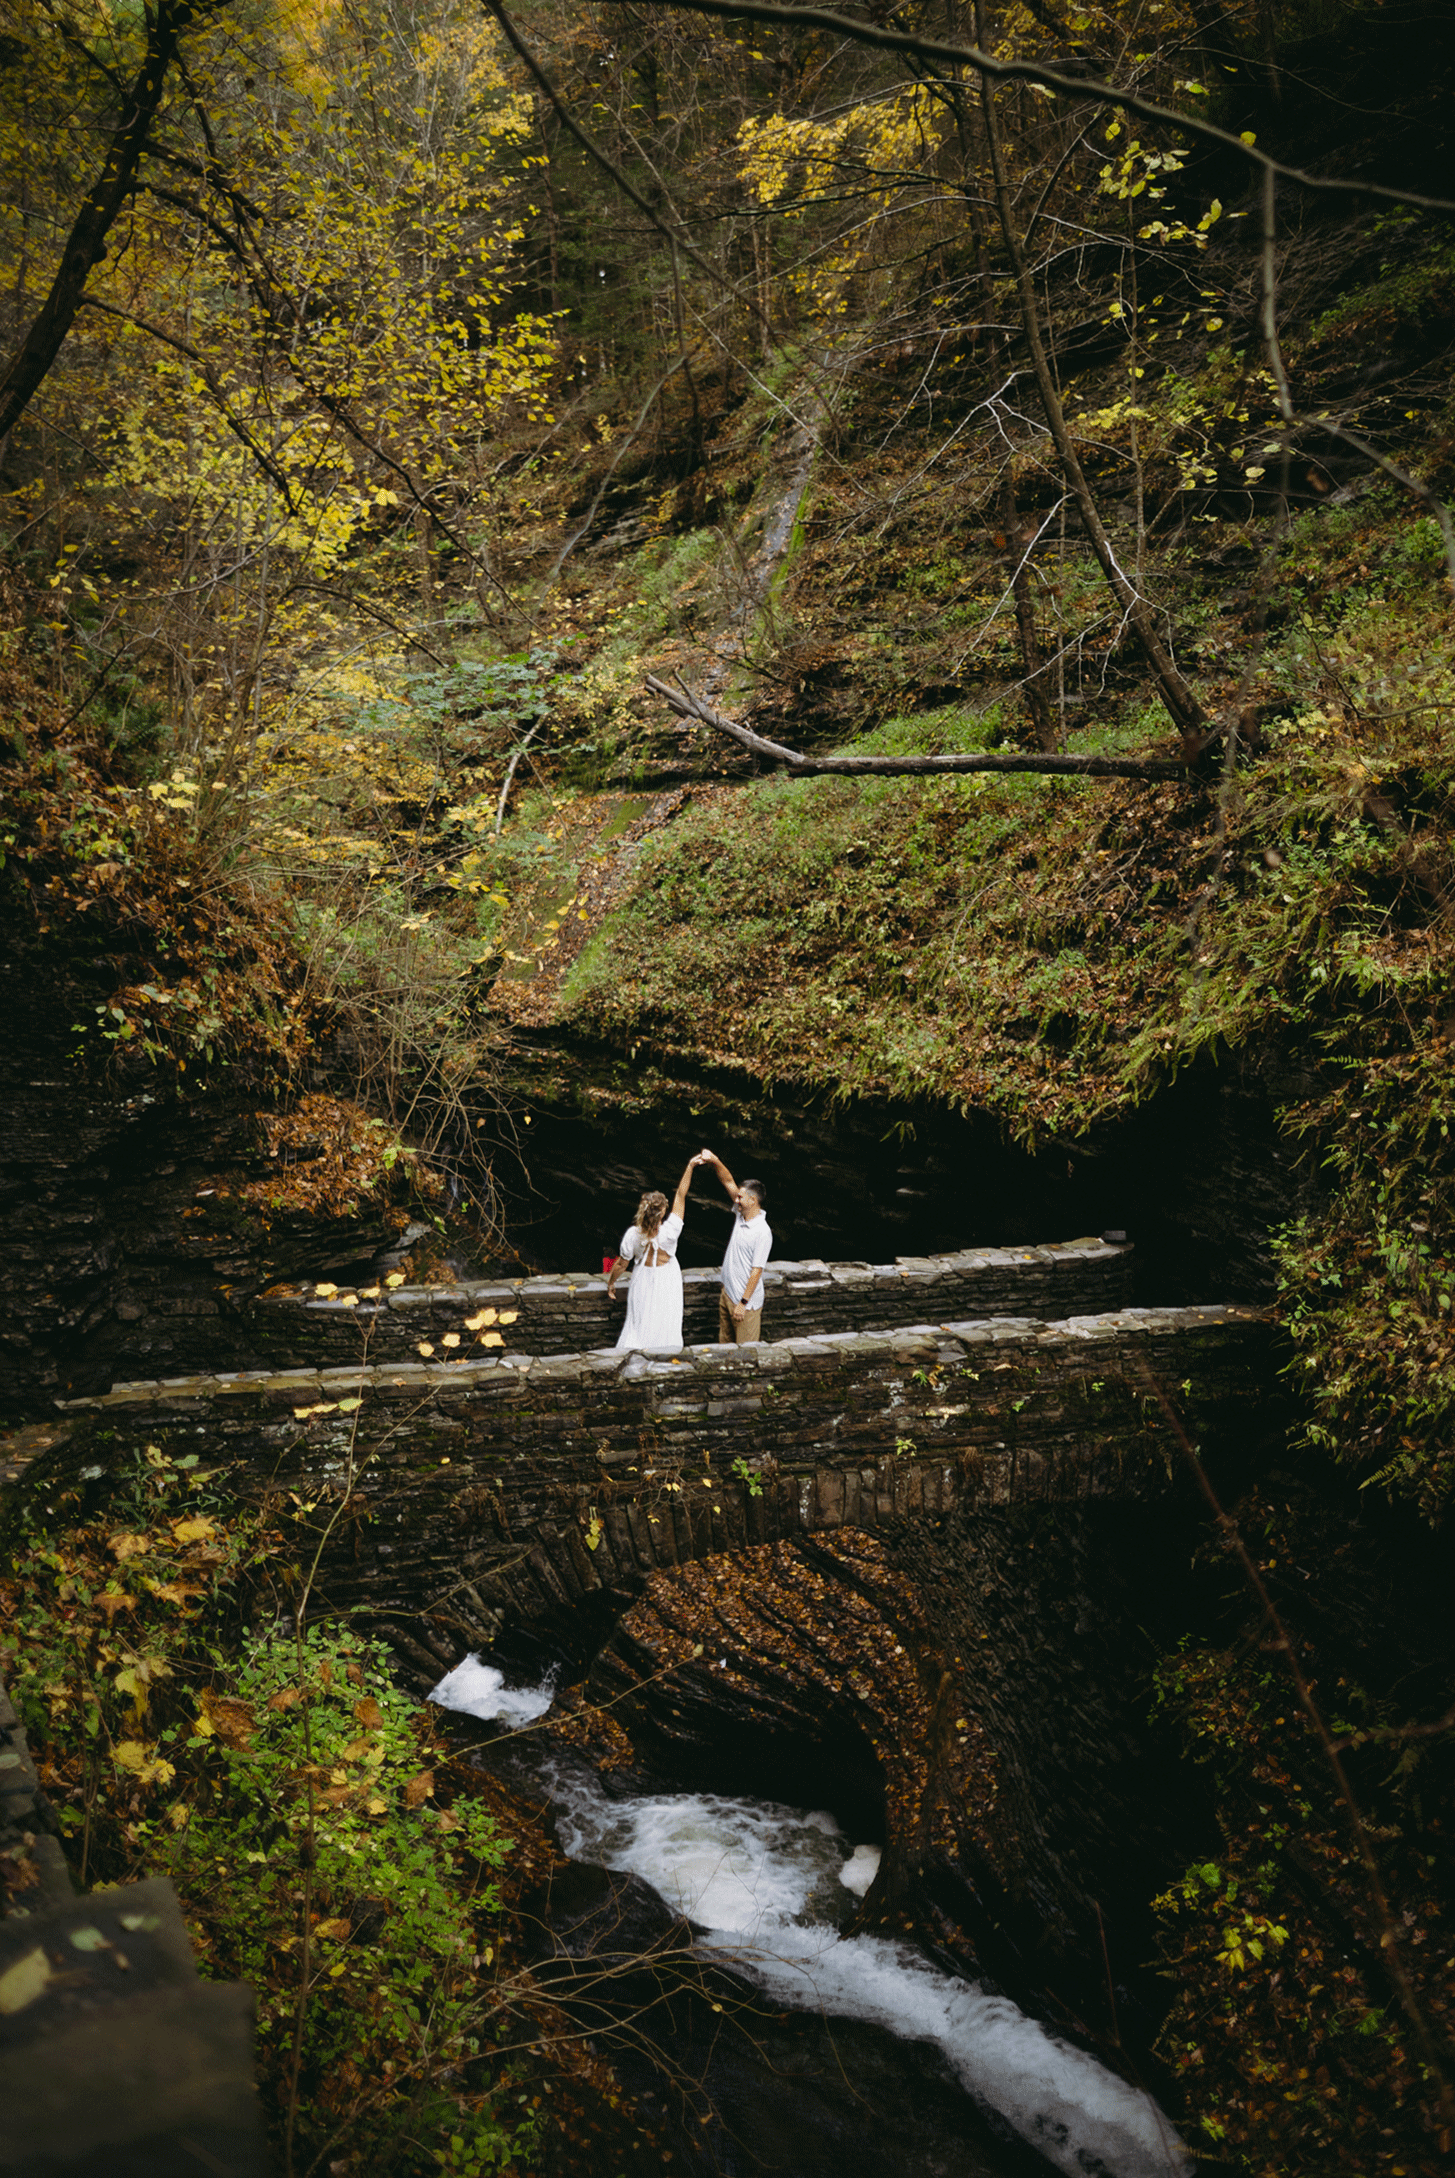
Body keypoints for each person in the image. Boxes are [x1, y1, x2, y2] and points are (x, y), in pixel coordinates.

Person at [606, 1155, 700, 1352]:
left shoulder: (633, 1235)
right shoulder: (671, 1230)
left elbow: (622, 1264)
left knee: (639, 1321)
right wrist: (690, 1165)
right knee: (666, 1319)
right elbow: (681, 1195)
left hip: (643, 1278)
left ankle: (636, 1354)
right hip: (668, 1279)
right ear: (663, 1212)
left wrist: (611, 1283)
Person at [698, 1150, 772, 1344]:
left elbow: (756, 1271)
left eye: (740, 1197)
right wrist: (715, 1160)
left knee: (745, 1352)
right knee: (725, 1348)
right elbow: (728, 1181)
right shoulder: (741, 1214)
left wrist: (743, 1303)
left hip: (744, 1304)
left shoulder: (762, 1232)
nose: (736, 1200)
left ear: (753, 1201)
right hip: (728, 1295)